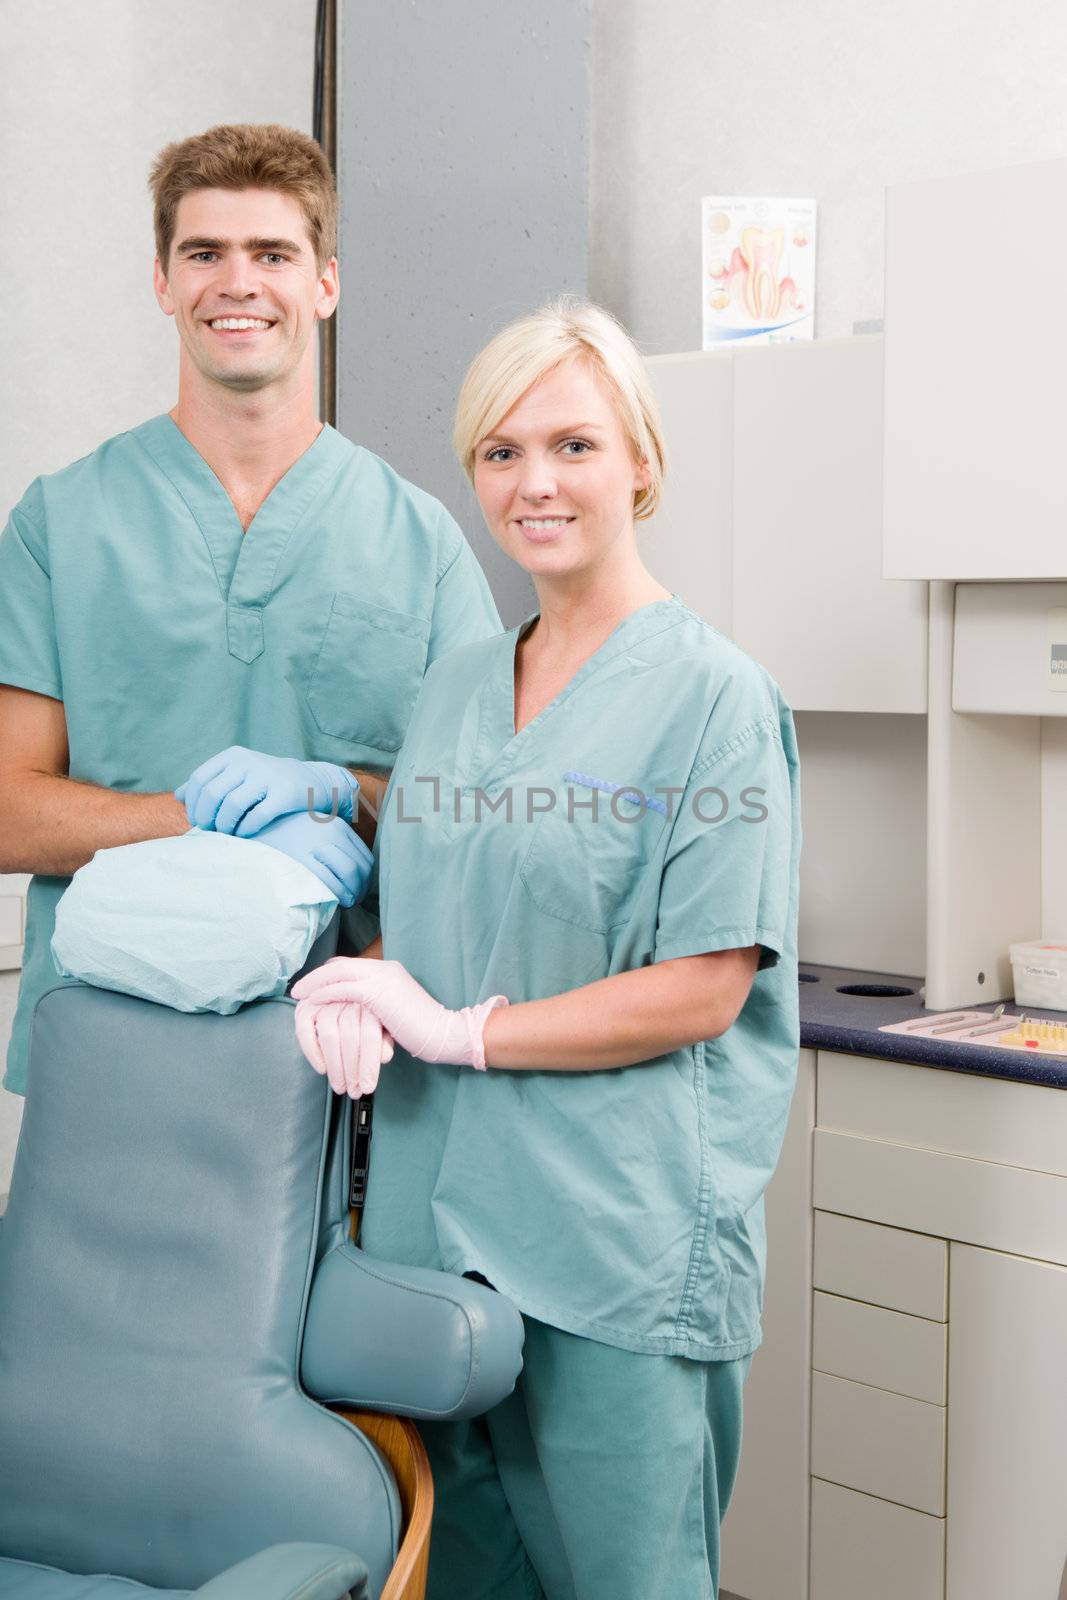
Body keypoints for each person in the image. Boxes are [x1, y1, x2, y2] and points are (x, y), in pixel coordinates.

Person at [291, 300, 802, 1600]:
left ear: (639, 460)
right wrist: (369, 987)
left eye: (572, 445)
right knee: (456, 1566)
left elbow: (700, 987)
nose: (535, 483)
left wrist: (463, 1032)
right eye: (501, 452)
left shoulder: (712, 700)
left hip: (609, 1232)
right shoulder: (460, 686)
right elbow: (448, 914)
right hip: (434, 1227)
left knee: (623, 1577)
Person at [0, 123, 499, 1096]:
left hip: (336, 1052)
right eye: (204, 253)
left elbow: (479, 815)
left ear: (324, 282)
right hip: (109, 1040)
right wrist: (195, 821)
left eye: (272, 253)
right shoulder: (60, 523)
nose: (238, 282)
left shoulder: (418, 540)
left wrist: (340, 792)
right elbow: (7, 809)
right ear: (162, 282)